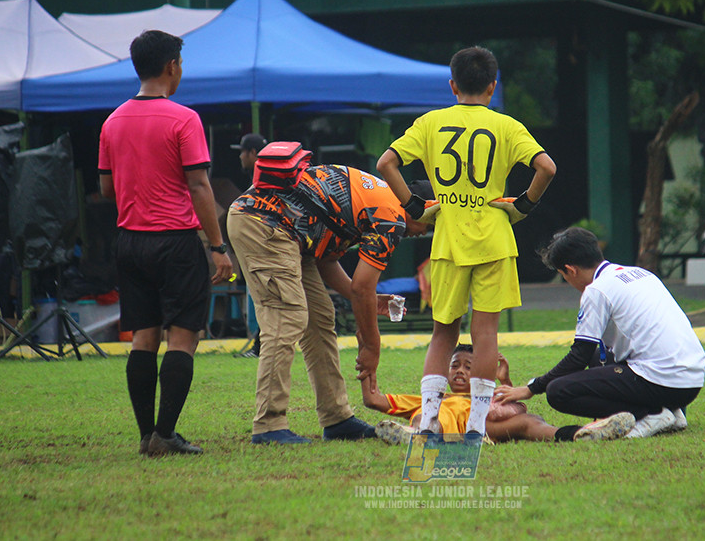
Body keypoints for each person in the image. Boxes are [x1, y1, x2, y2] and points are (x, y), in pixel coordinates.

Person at [376, 45, 556, 440]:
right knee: (486, 331)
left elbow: (385, 163)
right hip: (494, 236)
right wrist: (522, 205)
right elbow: (547, 167)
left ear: (452, 85)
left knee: (444, 331)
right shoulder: (507, 126)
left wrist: (415, 205)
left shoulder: (430, 123)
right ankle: (477, 427)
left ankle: (427, 422)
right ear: (493, 87)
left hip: (448, 238)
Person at [226, 159, 432, 445]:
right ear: (418, 206)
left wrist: (367, 297)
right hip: (265, 223)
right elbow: (362, 288)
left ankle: (337, 418)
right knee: (288, 317)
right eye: (433, 220)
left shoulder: (376, 198)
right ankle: (269, 424)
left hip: (288, 233)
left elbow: (328, 260)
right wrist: (371, 348)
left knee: (319, 318)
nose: (428, 230)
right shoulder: (391, 217)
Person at [98, 30, 233, 457]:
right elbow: (198, 184)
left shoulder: (112, 121)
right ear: (172, 65)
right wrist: (217, 244)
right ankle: (166, 434)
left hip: (130, 241)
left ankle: (145, 435)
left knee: (143, 336)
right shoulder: (183, 119)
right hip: (175, 242)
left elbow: (106, 188)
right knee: (182, 338)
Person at [494, 227, 705, 439]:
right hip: (691, 381)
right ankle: (673, 411)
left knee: (558, 391)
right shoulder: (640, 273)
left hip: (663, 381)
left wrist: (532, 388)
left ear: (571, 270)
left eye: (564, 276)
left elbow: (579, 356)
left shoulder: (597, 290)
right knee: (599, 359)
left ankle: (651, 414)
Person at [364, 344, 635, 444]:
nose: (460, 371)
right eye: (454, 366)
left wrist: (504, 381)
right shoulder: (438, 397)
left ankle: (579, 434)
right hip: (448, 431)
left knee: (532, 421)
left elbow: (513, 408)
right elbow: (373, 400)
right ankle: (418, 435)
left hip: (486, 430)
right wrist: (367, 373)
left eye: (469, 367)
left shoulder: (486, 398)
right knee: (426, 414)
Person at [230, 132, 267, 357]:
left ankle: (260, 347)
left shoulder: (261, 179)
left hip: (264, 248)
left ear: (253, 153)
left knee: (267, 300)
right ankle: (260, 346)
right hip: (262, 247)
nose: (241, 157)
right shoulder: (266, 176)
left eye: (243, 152)